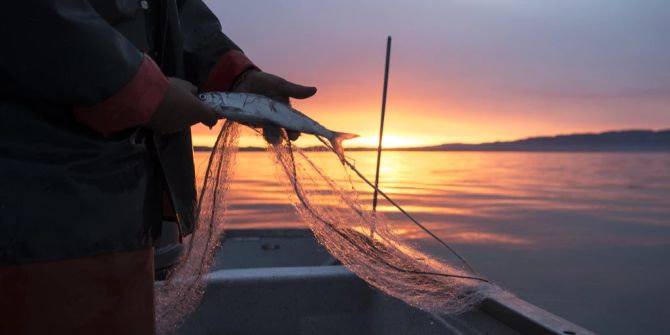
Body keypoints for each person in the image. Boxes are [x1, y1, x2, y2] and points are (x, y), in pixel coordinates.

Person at [0, 1, 316, 333]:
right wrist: (145, 92)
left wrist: (235, 74)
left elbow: (168, 10)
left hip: (126, 211)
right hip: (36, 216)